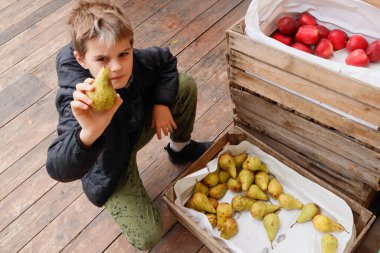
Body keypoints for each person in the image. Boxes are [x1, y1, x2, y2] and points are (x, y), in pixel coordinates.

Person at [46, 0, 212, 250]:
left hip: (135, 127)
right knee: (147, 236)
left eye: (123, 54)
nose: (116, 67)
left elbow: (166, 61)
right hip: (109, 161)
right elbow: (57, 166)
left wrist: (161, 103)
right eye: (102, 59)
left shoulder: (140, 61)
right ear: (81, 59)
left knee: (184, 84)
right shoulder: (78, 99)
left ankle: (180, 149)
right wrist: (89, 133)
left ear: (131, 46)